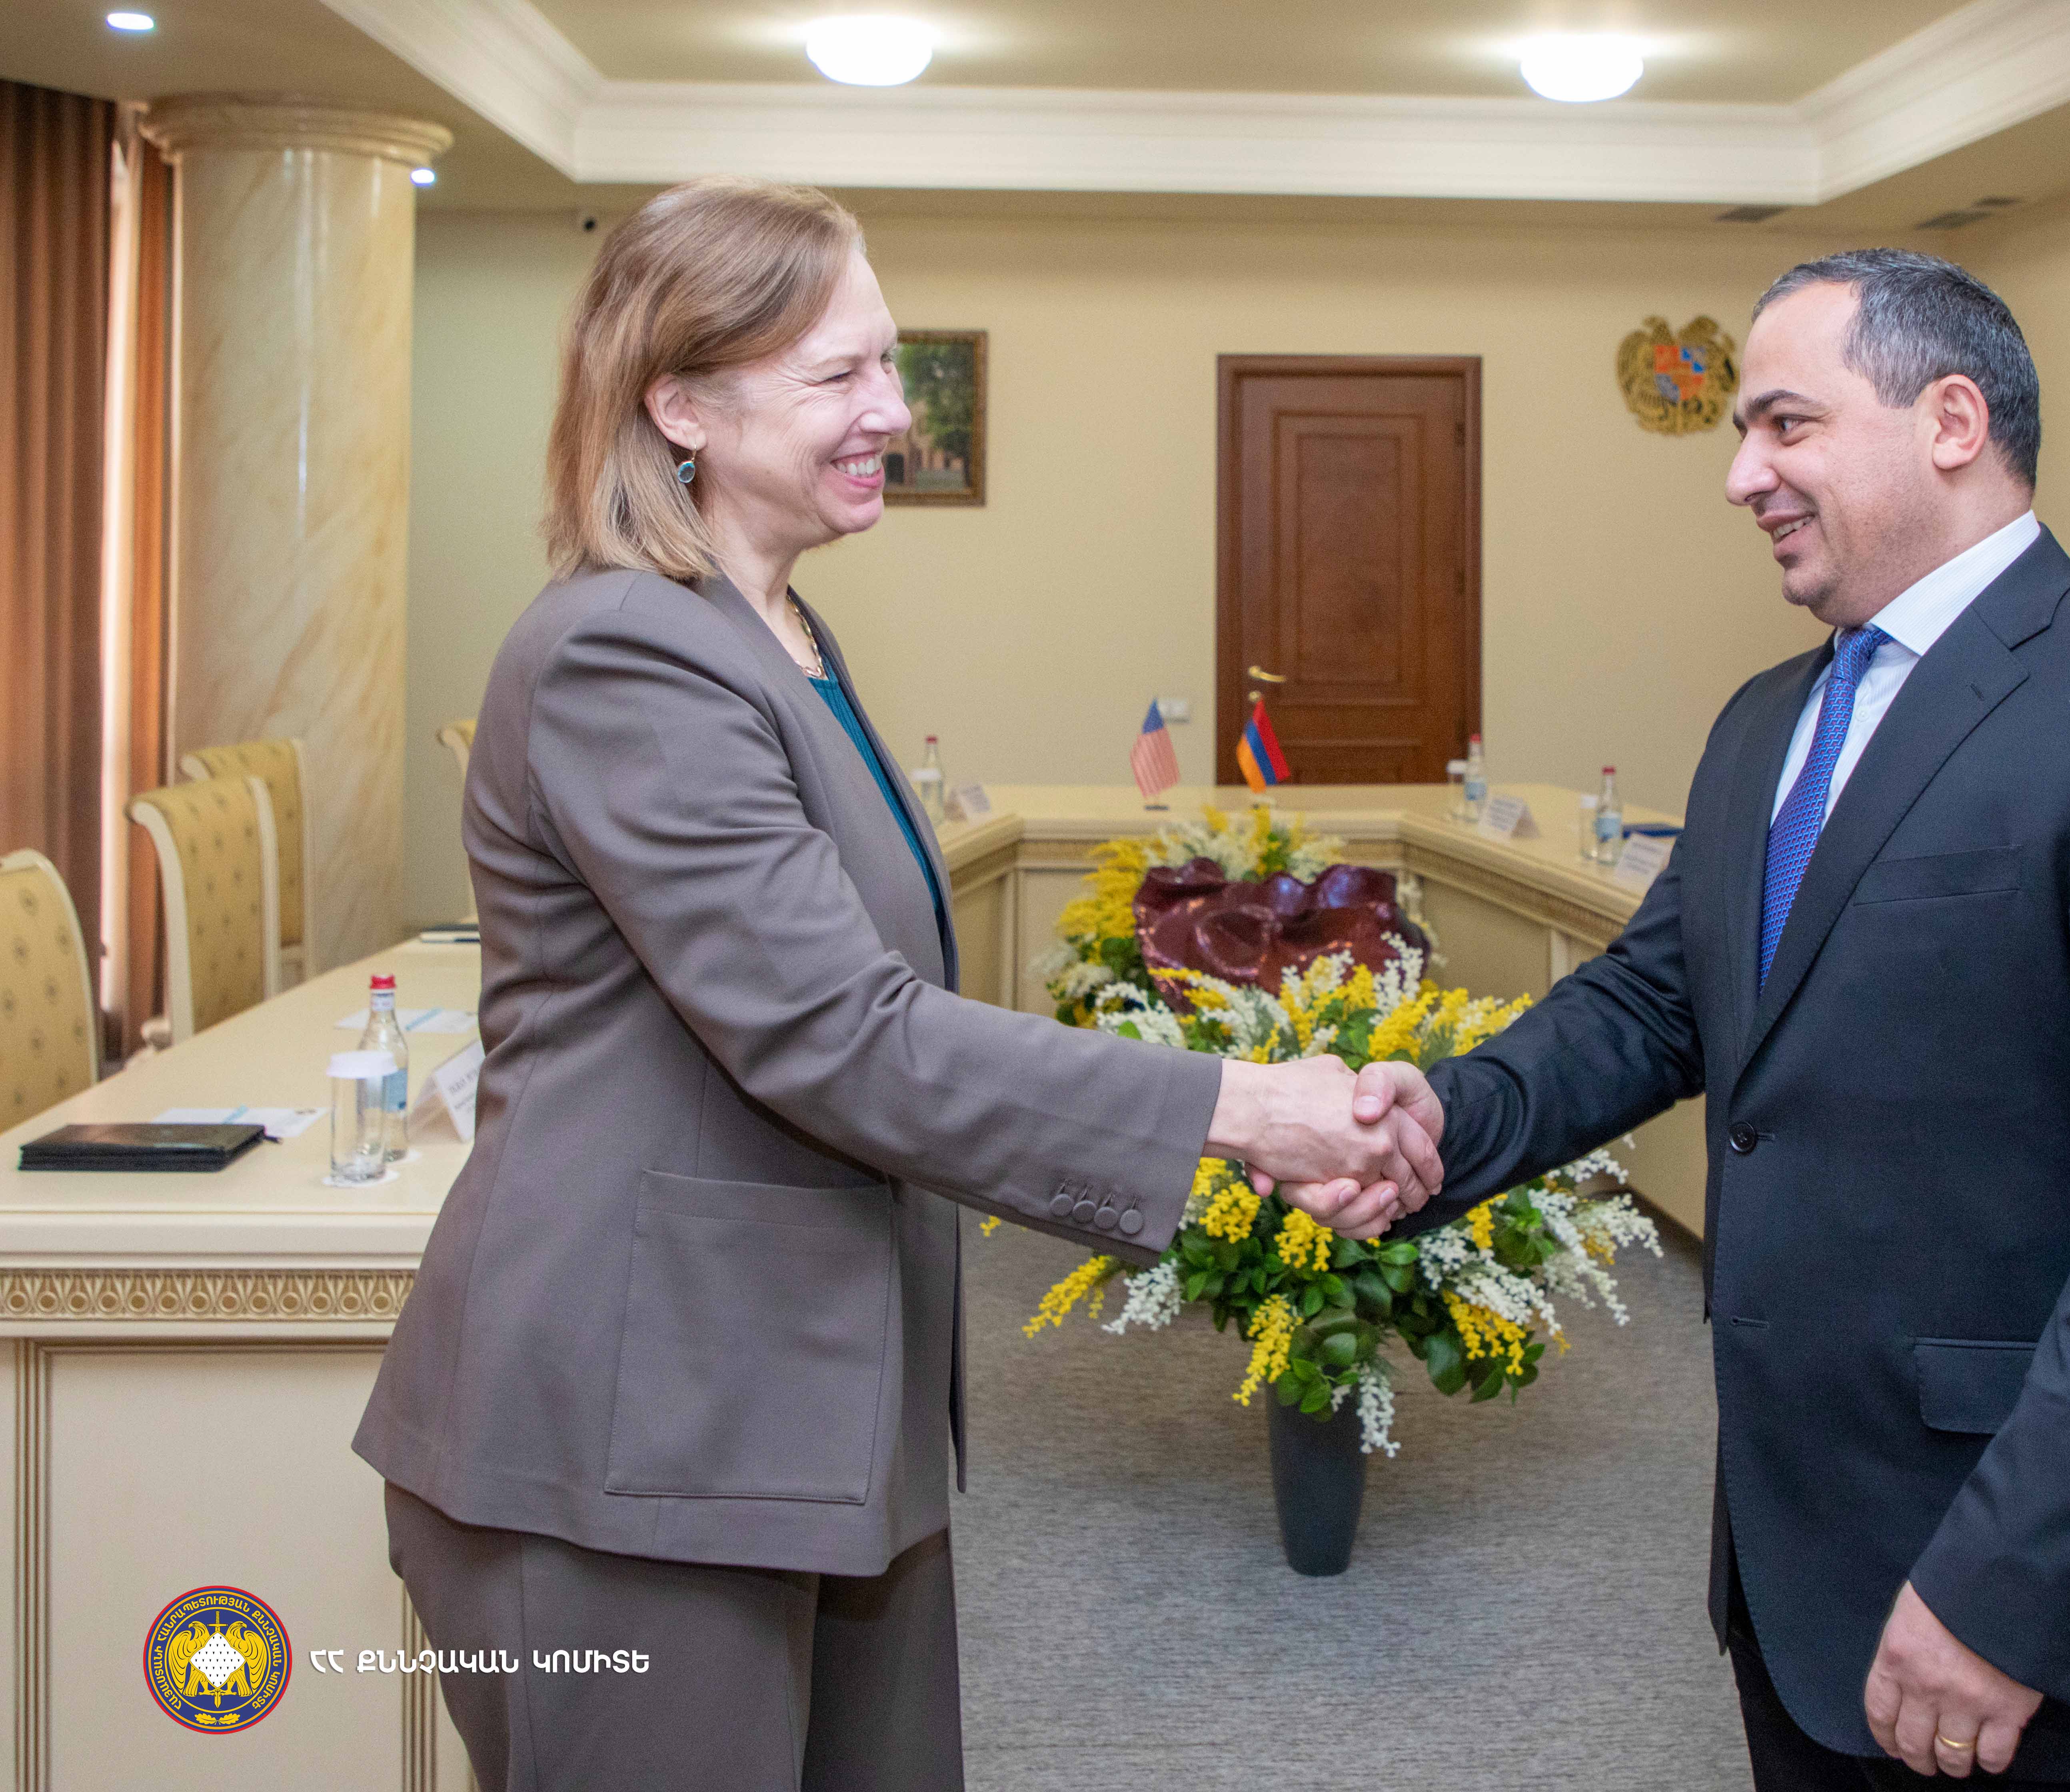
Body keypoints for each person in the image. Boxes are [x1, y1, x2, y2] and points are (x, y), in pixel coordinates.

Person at [352, 177, 1439, 1792]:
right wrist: (1244, 1111)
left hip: (795, 1399)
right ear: (680, 405)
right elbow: (844, 1036)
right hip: (630, 1435)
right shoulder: (627, 650)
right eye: (841, 375)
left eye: (892, 363)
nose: (896, 412)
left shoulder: (780, 632)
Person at [1353, 249, 2070, 1789]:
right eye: (1744, 432)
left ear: (1951, 421)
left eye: (1786, 424)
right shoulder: (1768, 719)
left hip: (2009, 1565)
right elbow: (1660, 1001)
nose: (1744, 475)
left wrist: (2010, 1588)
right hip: (1796, 1548)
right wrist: (1445, 1118)